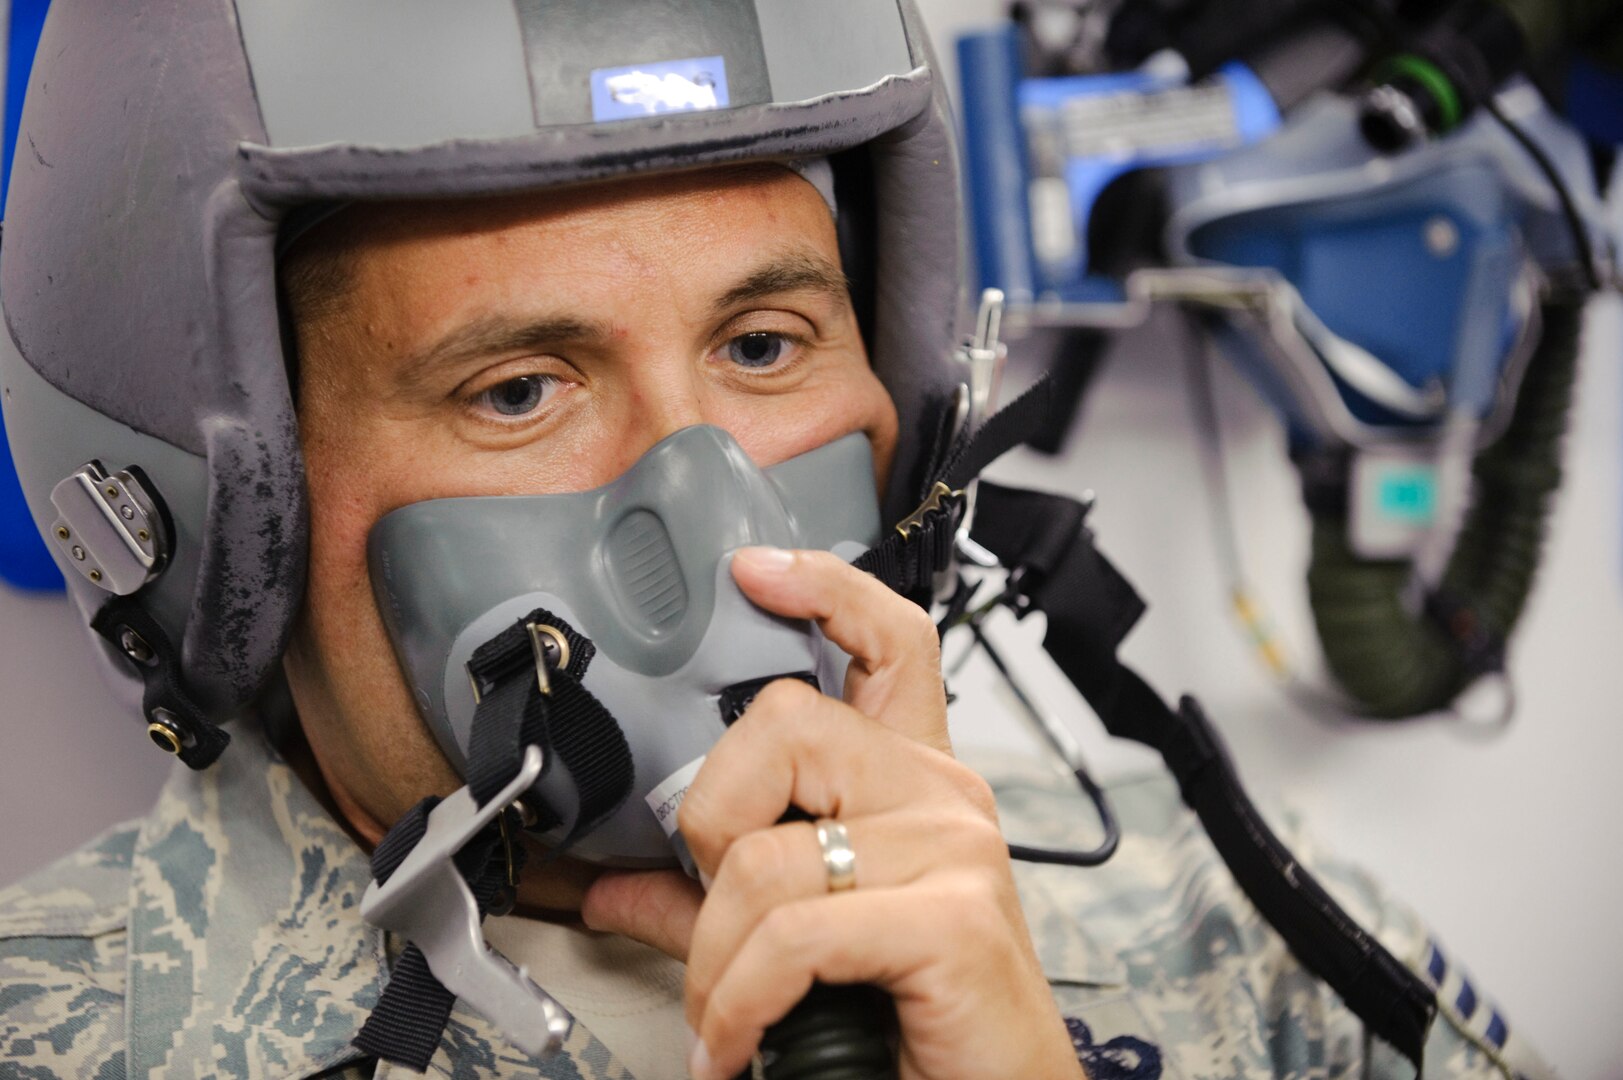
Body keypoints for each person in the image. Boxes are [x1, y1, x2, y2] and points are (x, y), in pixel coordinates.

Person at [0, 2, 1549, 1078]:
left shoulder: (1239, 927)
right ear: (233, 522)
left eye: (762, 346)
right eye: (520, 389)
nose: (713, 508)